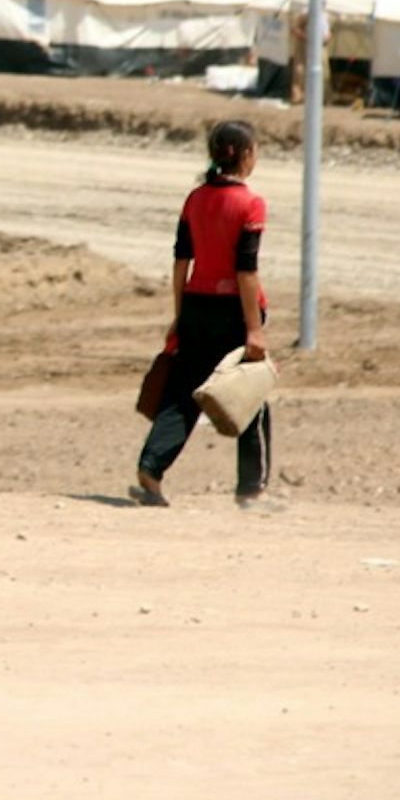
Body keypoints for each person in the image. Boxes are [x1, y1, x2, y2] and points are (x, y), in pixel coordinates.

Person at [134, 120, 276, 511]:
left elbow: (181, 261)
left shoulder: (195, 199)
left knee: (183, 394)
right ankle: (251, 489)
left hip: (195, 306)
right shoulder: (250, 204)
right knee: (249, 395)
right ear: (245, 155)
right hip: (234, 313)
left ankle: (151, 468)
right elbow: (246, 271)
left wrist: (179, 315)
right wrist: (253, 329)